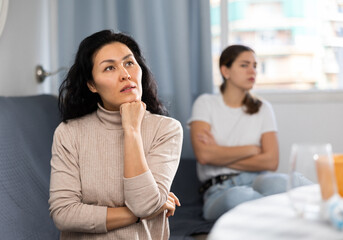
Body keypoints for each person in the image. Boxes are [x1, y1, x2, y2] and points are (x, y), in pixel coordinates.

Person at [49, 30, 183, 239]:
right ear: (92, 84)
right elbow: (64, 214)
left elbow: (144, 203)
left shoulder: (166, 129)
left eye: (129, 63)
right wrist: (140, 214)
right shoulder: (69, 133)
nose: (125, 74)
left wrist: (131, 130)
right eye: (110, 67)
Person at [188, 44, 289, 221]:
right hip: (219, 190)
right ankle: (280, 212)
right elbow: (204, 156)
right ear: (225, 71)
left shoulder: (263, 108)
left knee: (288, 182)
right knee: (238, 197)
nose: (252, 71)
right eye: (244, 65)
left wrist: (219, 153)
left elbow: (272, 161)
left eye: (255, 66)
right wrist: (251, 150)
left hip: (258, 181)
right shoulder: (205, 103)